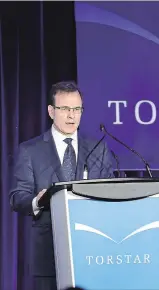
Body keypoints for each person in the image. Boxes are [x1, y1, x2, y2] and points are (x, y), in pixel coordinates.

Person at [9, 81, 114, 290]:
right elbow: (17, 197)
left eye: (77, 109)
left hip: (93, 252)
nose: (71, 116)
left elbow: (110, 189)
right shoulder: (30, 150)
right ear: (51, 111)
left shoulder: (98, 149)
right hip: (49, 254)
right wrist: (36, 201)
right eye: (65, 109)